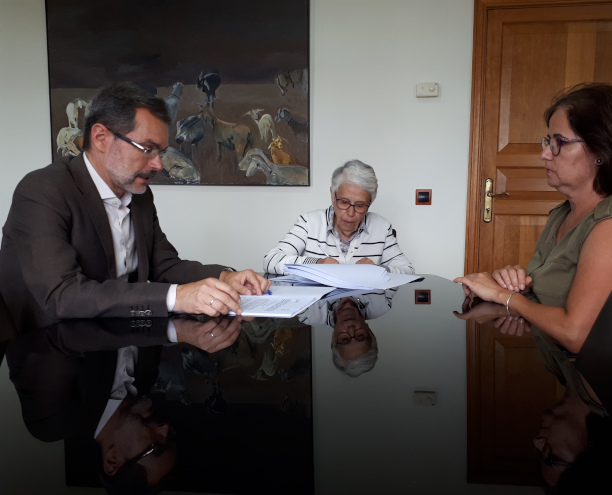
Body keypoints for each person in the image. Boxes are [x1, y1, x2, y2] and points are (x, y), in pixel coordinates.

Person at [0, 82, 271, 332]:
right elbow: (62, 295)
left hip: (125, 343)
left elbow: (163, 264)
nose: (159, 165)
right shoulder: (42, 192)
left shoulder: (139, 195)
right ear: (101, 137)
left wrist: (225, 277)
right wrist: (177, 297)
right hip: (58, 352)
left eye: (160, 152)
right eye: (147, 149)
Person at [454, 83, 612, 354]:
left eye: (559, 142)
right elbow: (550, 295)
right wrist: (514, 285)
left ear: (602, 151)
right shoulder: (564, 213)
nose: (544, 153)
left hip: (599, 380)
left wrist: (505, 297)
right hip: (559, 366)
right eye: (548, 141)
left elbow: (577, 335)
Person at [263, 160, 415, 275]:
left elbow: (408, 270)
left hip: (363, 303)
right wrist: (317, 263)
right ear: (332, 195)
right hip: (318, 305)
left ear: (370, 203)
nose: (351, 213)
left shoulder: (381, 227)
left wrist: (378, 270)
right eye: (344, 202)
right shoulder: (309, 222)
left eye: (360, 205)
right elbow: (271, 260)